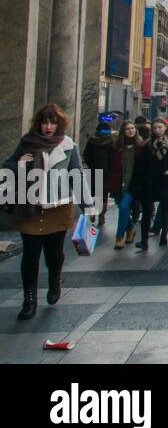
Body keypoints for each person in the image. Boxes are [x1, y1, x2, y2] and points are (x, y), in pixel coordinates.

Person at [3, 104, 87, 320]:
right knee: (30, 254)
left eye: (52, 123)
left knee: (54, 253)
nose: (48, 127)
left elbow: (76, 174)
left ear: (59, 125)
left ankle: (54, 280)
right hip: (30, 206)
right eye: (45, 122)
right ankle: (29, 300)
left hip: (58, 206)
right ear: (38, 124)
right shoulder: (27, 143)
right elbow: (7, 165)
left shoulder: (69, 145)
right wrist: (20, 164)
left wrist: (88, 205)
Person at [135, 120, 168, 251]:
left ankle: (164, 237)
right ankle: (144, 241)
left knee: (166, 209)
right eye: (155, 128)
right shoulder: (148, 145)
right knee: (147, 211)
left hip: (166, 180)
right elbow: (141, 163)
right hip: (150, 180)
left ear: (165, 128)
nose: (157, 130)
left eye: (159, 127)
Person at [108, 118, 144, 249]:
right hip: (118, 183)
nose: (130, 131)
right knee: (122, 209)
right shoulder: (117, 148)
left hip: (133, 184)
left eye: (132, 128)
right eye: (128, 129)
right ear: (123, 131)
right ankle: (130, 230)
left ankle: (119, 237)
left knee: (124, 208)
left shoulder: (140, 147)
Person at [81, 119, 115, 230]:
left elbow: (86, 155)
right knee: (104, 196)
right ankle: (101, 215)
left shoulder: (92, 141)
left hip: (94, 171)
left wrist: (91, 165)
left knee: (94, 194)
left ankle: (94, 214)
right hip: (107, 173)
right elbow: (114, 158)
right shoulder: (111, 142)